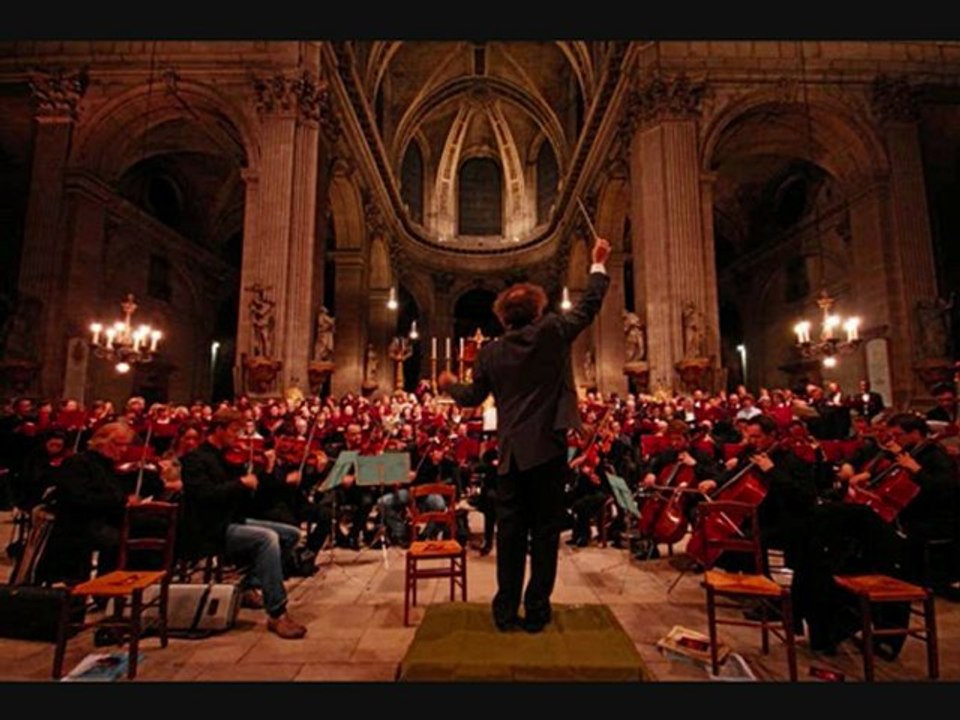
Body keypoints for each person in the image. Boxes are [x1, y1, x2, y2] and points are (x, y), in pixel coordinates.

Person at [438, 234, 611, 633]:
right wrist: (598, 264)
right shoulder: (550, 331)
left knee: (511, 535)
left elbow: (471, 397)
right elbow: (587, 309)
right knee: (545, 534)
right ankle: (536, 612)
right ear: (537, 309)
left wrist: (448, 382)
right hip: (548, 451)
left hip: (510, 455)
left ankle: (504, 613)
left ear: (502, 318)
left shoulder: (490, 352)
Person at [180, 408, 307, 639]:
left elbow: (256, 495)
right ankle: (277, 613)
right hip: (210, 527)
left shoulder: (230, 457)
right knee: (267, 538)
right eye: (234, 431)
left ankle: (250, 584)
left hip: (233, 520)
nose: (238, 437)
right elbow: (204, 496)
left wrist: (266, 470)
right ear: (218, 429)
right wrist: (240, 483)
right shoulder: (195, 459)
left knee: (291, 534)